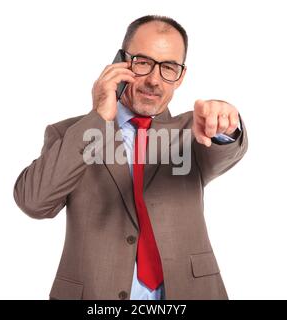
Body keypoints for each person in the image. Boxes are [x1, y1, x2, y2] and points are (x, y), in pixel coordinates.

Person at [13, 15, 248, 300]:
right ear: (120, 62)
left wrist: (224, 124)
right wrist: (98, 117)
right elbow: (34, 202)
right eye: (143, 62)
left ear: (181, 76)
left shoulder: (192, 131)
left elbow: (224, 150)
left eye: (168, 67)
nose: (153, 80)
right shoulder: (71, 133)